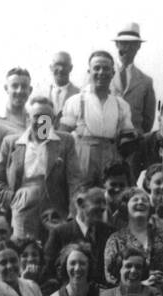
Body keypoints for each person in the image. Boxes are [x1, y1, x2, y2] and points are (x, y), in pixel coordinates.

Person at [0, 96, 76, 242]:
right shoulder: (11, 143)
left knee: (54, 250)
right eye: (37, 116)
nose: (41, 121)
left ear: (54, 120)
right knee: (26, 252)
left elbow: (76, 180)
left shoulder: (65, 141)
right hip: (23, 211)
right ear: (28, 119)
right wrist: (12, 199)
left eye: (46, 117)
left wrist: (73, 213)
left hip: (56, 210)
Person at [59, 52, 135, 195]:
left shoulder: (121, 104)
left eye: (106, 69)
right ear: (89, 71)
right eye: (97, 68)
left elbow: (128, 139)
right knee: (81, 198)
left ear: (113, 72)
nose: (101, 72)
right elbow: (63, 136)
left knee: (110, 198)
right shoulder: (75, 101)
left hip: (111, 158)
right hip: (82, 159)